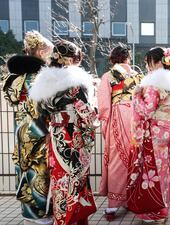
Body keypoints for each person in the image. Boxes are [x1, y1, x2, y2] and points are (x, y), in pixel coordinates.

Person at [29, 40, 98, 225]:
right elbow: (88, 114)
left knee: (60, 178)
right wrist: (95, 120)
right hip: (73, 134)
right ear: (71, 59)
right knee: (77, 178)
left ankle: (62, 218)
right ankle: (77, 218)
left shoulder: (43, 83)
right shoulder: (75, 82)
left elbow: (40, 114)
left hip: (55, 135)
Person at [127, 47, 170, 224]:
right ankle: (163, 206)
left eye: (148, 62)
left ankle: (155, 211)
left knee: (151, 170)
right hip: (167, 127)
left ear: (158, 62)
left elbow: (147, 110)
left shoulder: (154, 83)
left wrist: (136, 95)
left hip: (154, 131)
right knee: (163, 170)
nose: (147, 66)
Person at [1, 30, 53, 225]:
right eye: (46, 52)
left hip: (21, 128)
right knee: (40, 168)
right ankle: (42, 213)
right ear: (39, 52)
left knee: (23, 165)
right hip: (40, 129)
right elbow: (47, 106)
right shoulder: (42, 77)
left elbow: (12, 98)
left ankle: (27, 213)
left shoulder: (15, 78)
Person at [97, 45, 143, 220]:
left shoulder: (108, 76)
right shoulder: (138, 76)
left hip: (118, 115)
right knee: (136, 158)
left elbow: (103, 104)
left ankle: (113, 206)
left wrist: (104, 123)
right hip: (136, 117)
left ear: (112, 60)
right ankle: (134, 199)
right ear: (128, 59)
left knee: (117, 160)